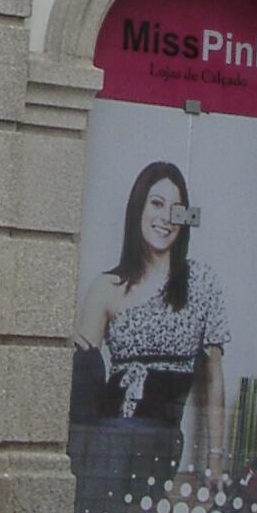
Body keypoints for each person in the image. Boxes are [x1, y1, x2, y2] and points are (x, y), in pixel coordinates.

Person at [73, 160, 229, 478]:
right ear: (139, 209)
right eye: (156, 204)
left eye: (176, 209)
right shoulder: (106, 287)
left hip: (163, 444)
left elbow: (214, 377)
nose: (165, 218)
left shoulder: (202, 283)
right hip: (107, 443)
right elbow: (85, 381)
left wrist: (215, 459)